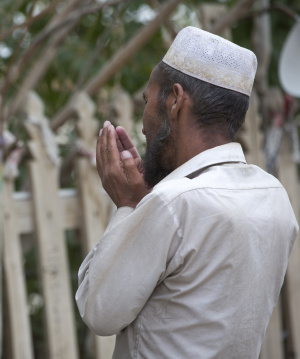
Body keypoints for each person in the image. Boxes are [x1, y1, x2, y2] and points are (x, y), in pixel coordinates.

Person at [75, 26, 299, 358]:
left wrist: (128, 204)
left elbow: (99, 311)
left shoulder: (173, 203)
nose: (142, 124)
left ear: (176, 99)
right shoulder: (274, 196)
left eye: (147, 100)